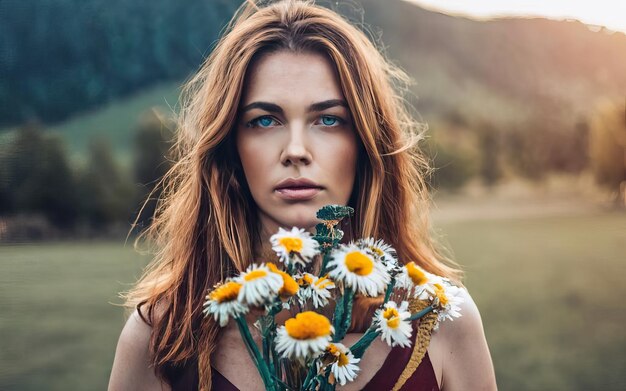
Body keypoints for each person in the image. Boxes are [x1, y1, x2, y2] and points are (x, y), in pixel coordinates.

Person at [108, 1, 497, 390]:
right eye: (265, 120)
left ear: (365, 142)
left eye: (328, 119)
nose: (296, 150)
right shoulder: (159, 338)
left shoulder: (444, 320)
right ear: (230, 145)